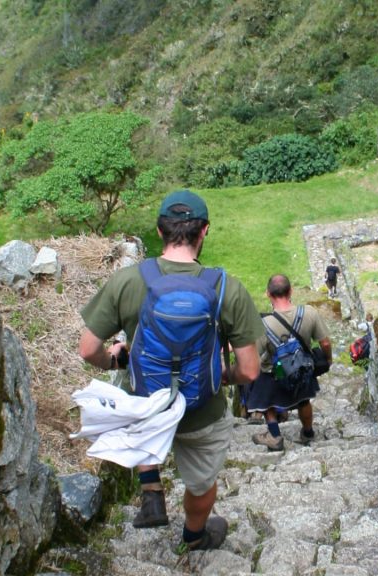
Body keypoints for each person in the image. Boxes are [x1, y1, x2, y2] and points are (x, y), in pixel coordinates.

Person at [78, 189, 263, 551]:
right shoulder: (228, 288)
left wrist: (117, 359)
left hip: (146, 407)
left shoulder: (128, 281)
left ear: (160, 232)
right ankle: (194, 536)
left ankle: (151, 489)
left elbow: (88, 350)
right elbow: (251, 371)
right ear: (204, 231)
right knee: (200, 484)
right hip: (202, 411)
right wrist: (223, 377)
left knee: (126, 382)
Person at [244, 274, 332, 451]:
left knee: (267, 397)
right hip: (302, 368)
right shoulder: (309, 313)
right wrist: (327, 359)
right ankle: (308, 432)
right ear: (291, 291)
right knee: (304, 400)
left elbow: (254, 354)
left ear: (268, 294)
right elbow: (325, 342)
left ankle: (275, 436)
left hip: (275, 373)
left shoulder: (263, 324)